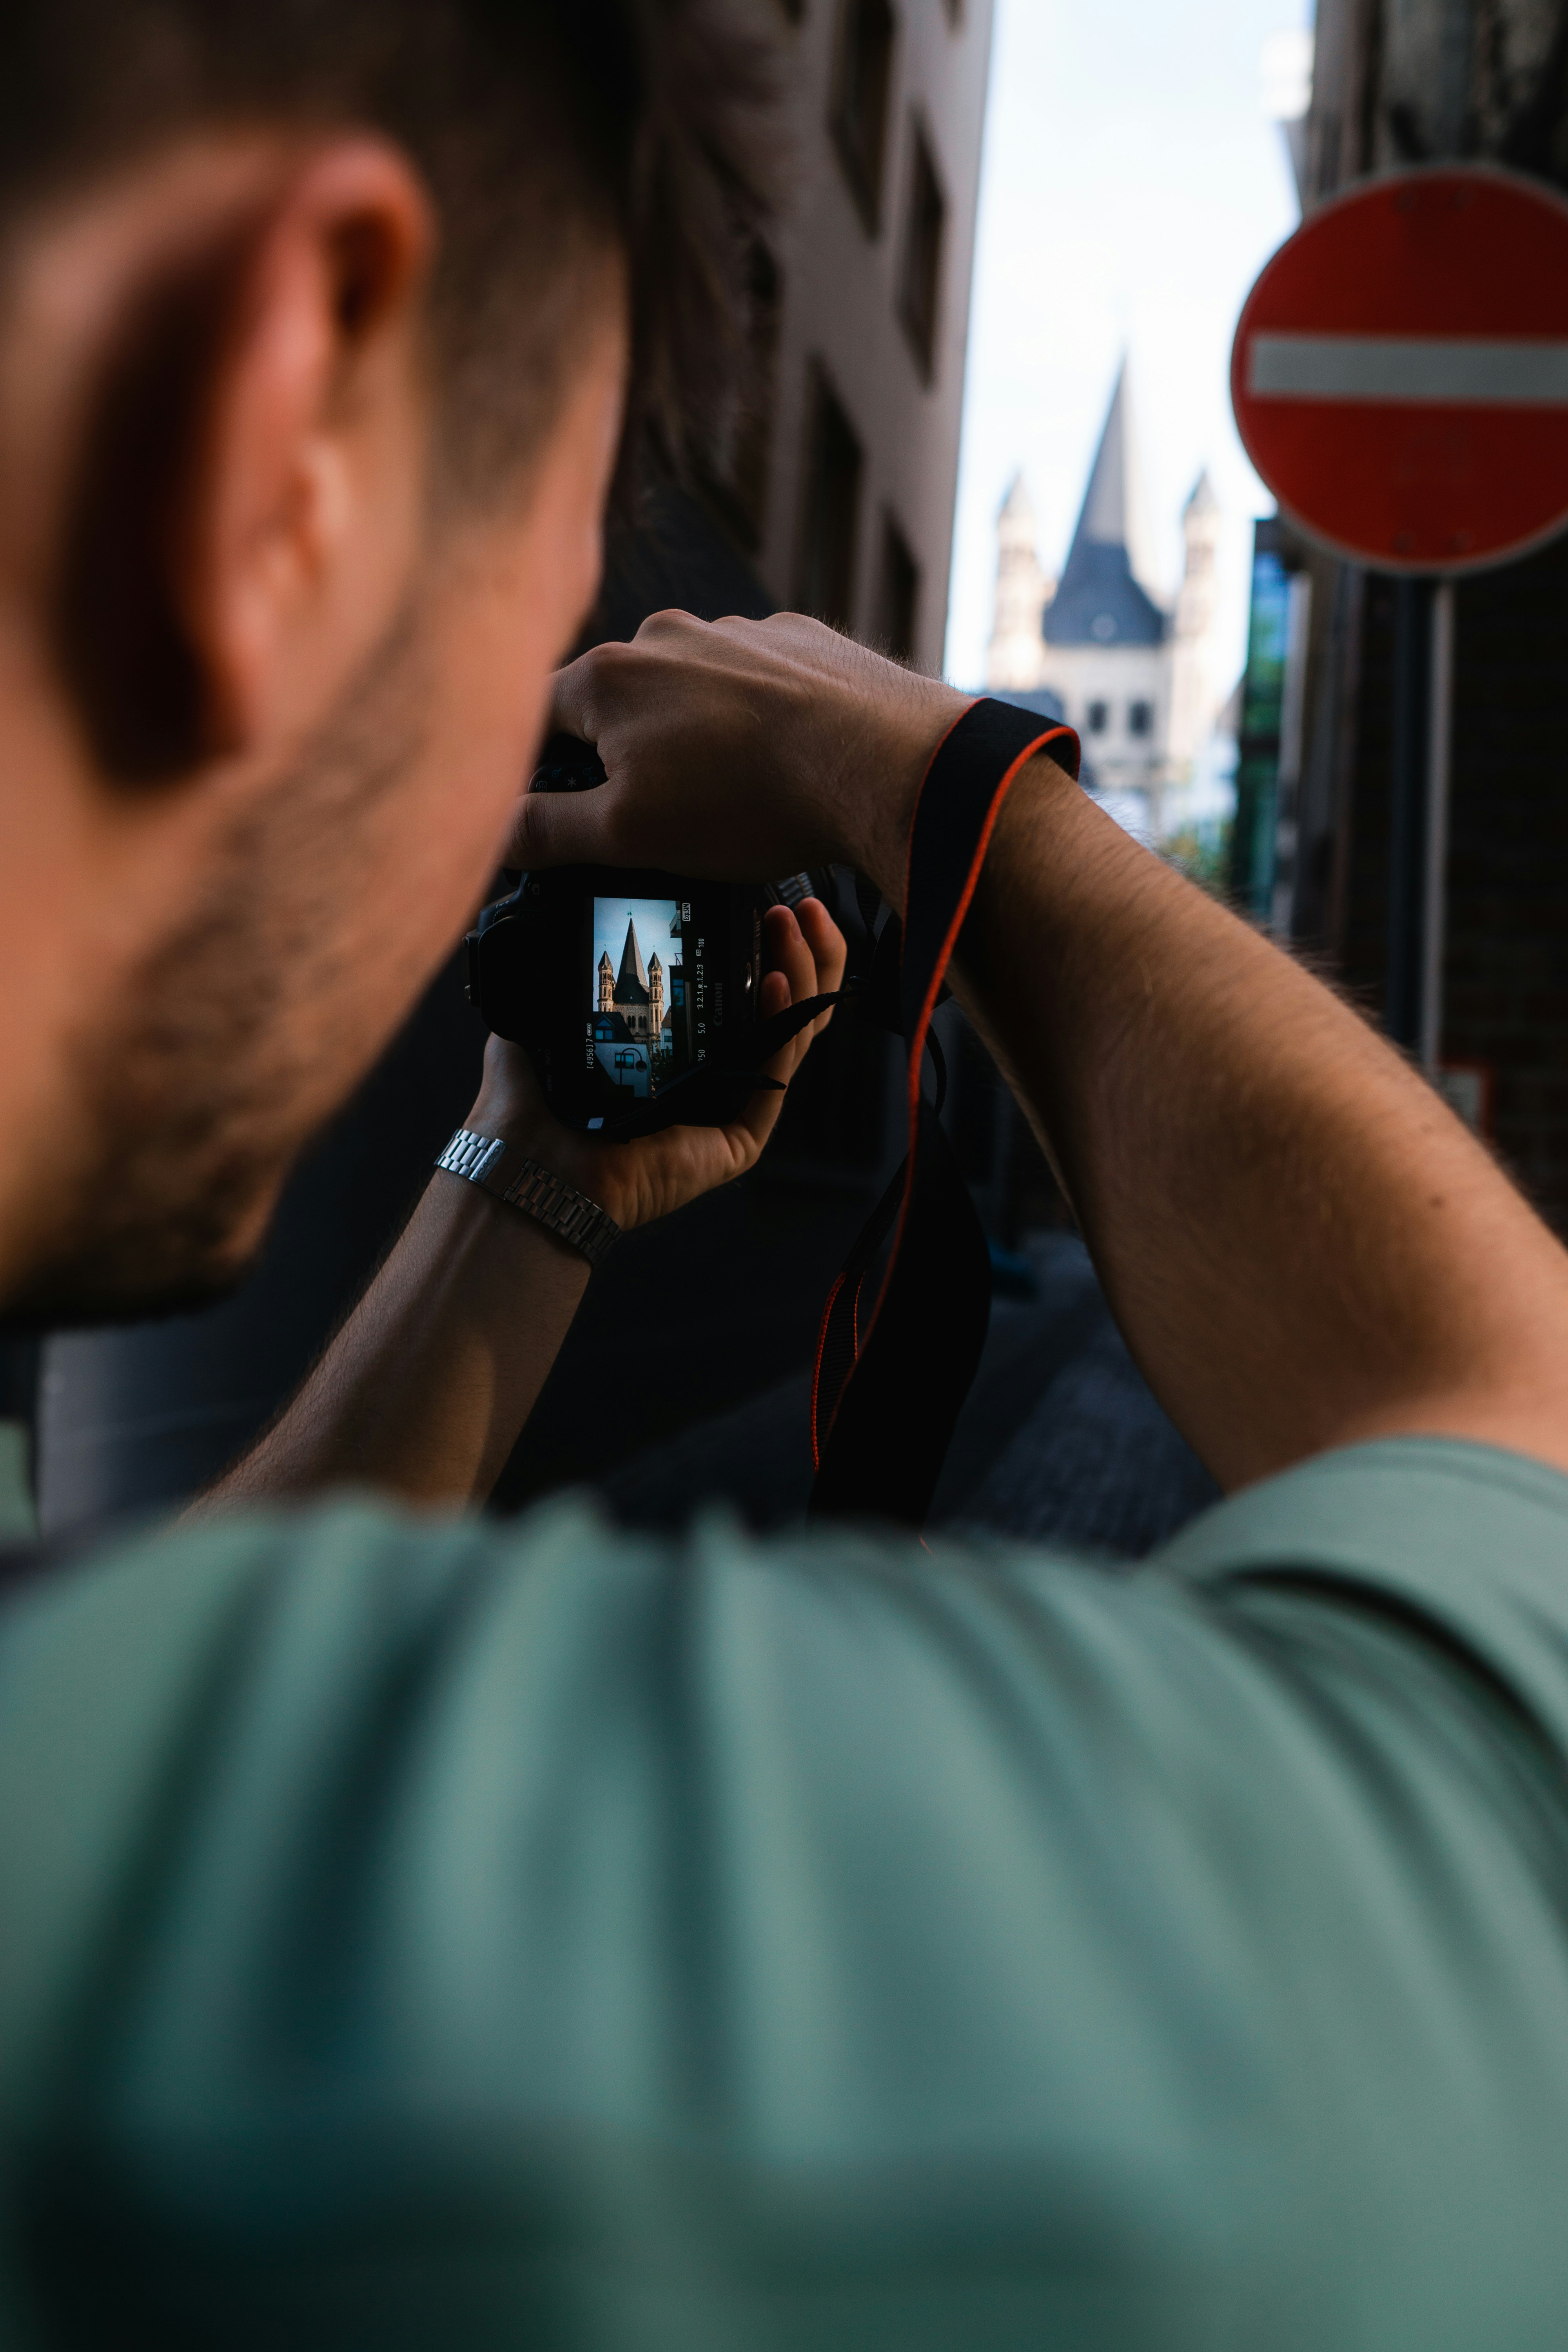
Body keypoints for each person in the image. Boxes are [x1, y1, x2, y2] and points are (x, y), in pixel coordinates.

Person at [7, 2, 1568, 2345]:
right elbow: (1515, 1495)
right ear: (286, 449)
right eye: (546, 591)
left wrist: (532, 1181)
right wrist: (951, 793)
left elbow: (180, 1651)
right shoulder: (296, 1942)